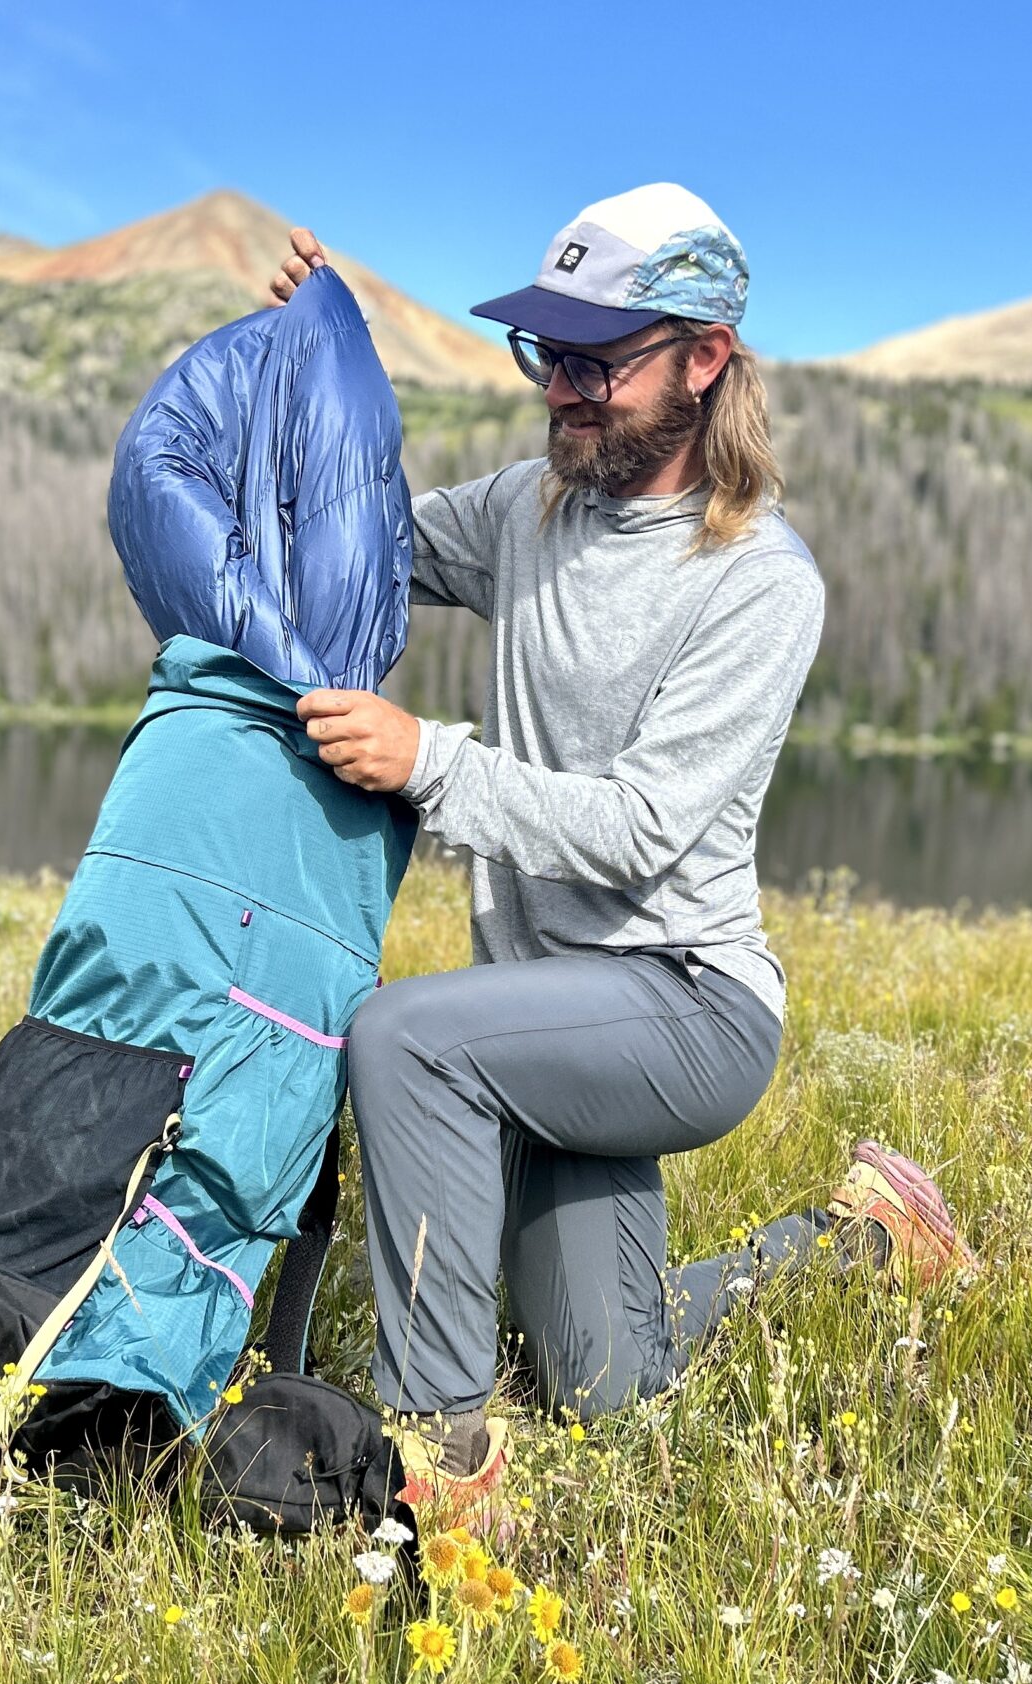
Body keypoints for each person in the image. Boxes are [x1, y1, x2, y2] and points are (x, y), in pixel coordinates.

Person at [270, 185, 972, 1532]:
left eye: (599, 359)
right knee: (604, 1384)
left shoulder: (760, 583)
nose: (564, 391)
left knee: (406, 1037)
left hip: (685, 1005)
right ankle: (864, 1235)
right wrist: (309, 361)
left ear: (705, 357)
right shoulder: (529, 512)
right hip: (552, 1015)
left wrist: (430, 762)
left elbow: (647, 825)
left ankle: (445, 1451)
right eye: (549, 355)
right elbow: (343, 536)